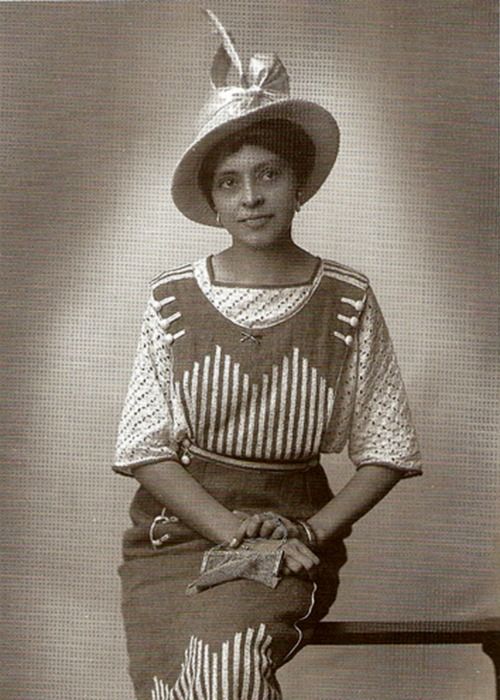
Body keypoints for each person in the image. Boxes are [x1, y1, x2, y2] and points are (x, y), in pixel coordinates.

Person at [113, 11, 422, 700]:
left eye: (268, 174)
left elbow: (388, 450)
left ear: (299, 184)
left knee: (224, 670)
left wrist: (306, 532)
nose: (251, 196)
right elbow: (143, 448)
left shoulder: (346, 299)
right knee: (173, 683)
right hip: (179, 537)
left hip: (292, 535)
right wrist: (229, 531)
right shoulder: (170, 299)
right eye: (230, 182)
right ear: (212, 202)